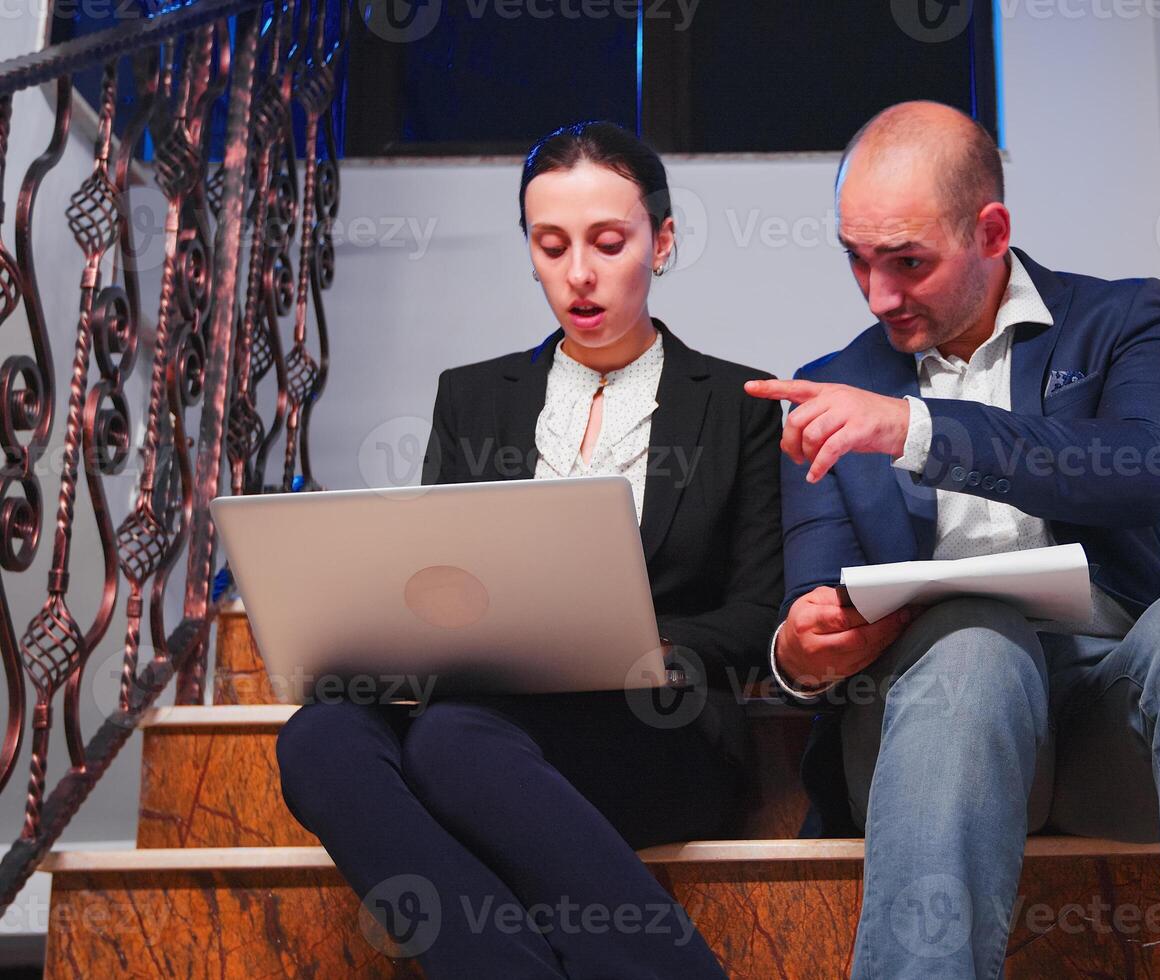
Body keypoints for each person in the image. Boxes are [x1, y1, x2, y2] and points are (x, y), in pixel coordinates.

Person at [745, 101, 1160, 979]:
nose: (877, 295)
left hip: (1111, 728)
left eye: (906, 262)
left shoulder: (1124, 319)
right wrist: (803, 650)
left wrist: (916, 427)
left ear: (991, 230)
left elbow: (1144, 463)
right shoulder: (829, 386)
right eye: (856, 260)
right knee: (977, 647)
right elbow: (809, 602)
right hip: (934, 732)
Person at [276, 121, 783, 979]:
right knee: (319, 740)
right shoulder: (472, 398)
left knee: (453, 741)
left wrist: (655, 650)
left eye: (608, 242)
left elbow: (757, 609)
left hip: (659, 731)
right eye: (550, 246)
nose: (577, 273)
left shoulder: (740, 401)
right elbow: (438, 581)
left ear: (662, 244)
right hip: (484, 715)